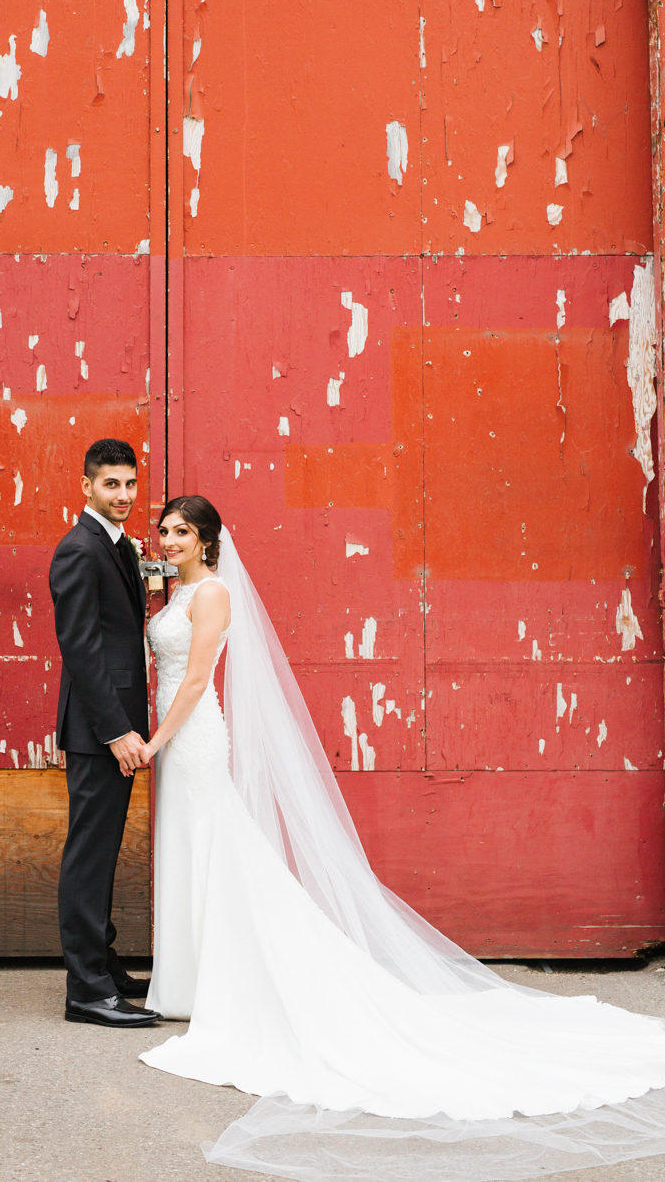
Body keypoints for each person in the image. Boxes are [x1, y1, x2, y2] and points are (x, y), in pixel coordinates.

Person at [135, 495, 665, 1181]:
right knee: (192, 850)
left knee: (215, 849)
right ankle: (190, 977)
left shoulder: (213, 594)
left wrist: (156, 743)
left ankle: (222, 977)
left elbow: (200, 676)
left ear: (209, 541)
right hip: (176, 740)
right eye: (166, 530)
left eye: (184, 532)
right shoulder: (176, 590)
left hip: (192, 735)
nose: (170, 540)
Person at [48, 437, 160, 1029]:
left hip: (114, 727)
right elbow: (82, 649)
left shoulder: (114, 545)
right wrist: (118, 731)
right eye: (110, 484)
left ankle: (104, 964)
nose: (123, 495)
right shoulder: (78, 549)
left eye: (130, 484)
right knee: (88, 855)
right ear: (86, 485)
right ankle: (86, 990)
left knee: (102, 850)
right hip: (100, 733)